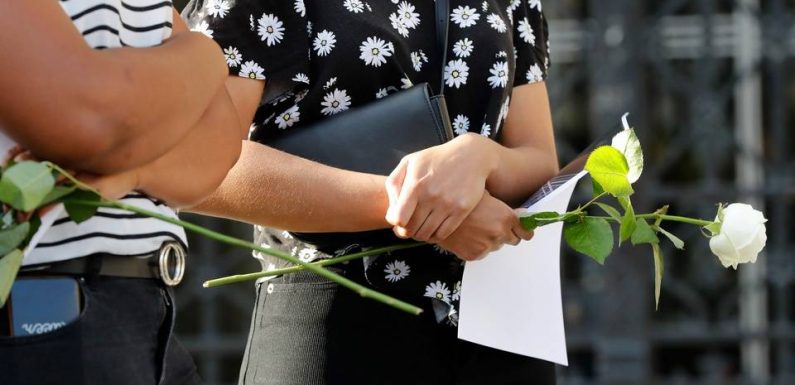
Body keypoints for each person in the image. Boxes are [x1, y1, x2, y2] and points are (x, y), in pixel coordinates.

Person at [184, 0, 558, 384]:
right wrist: (414, 206)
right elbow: (193, 159)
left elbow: (540, 163)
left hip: (500, 318)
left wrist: (485, 156)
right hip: (337, 315)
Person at [0, 1, 247, 384]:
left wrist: (135, 171)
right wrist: (204, 55)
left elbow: (218, 149)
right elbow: (92, 119)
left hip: (147, 312)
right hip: (44, 303)